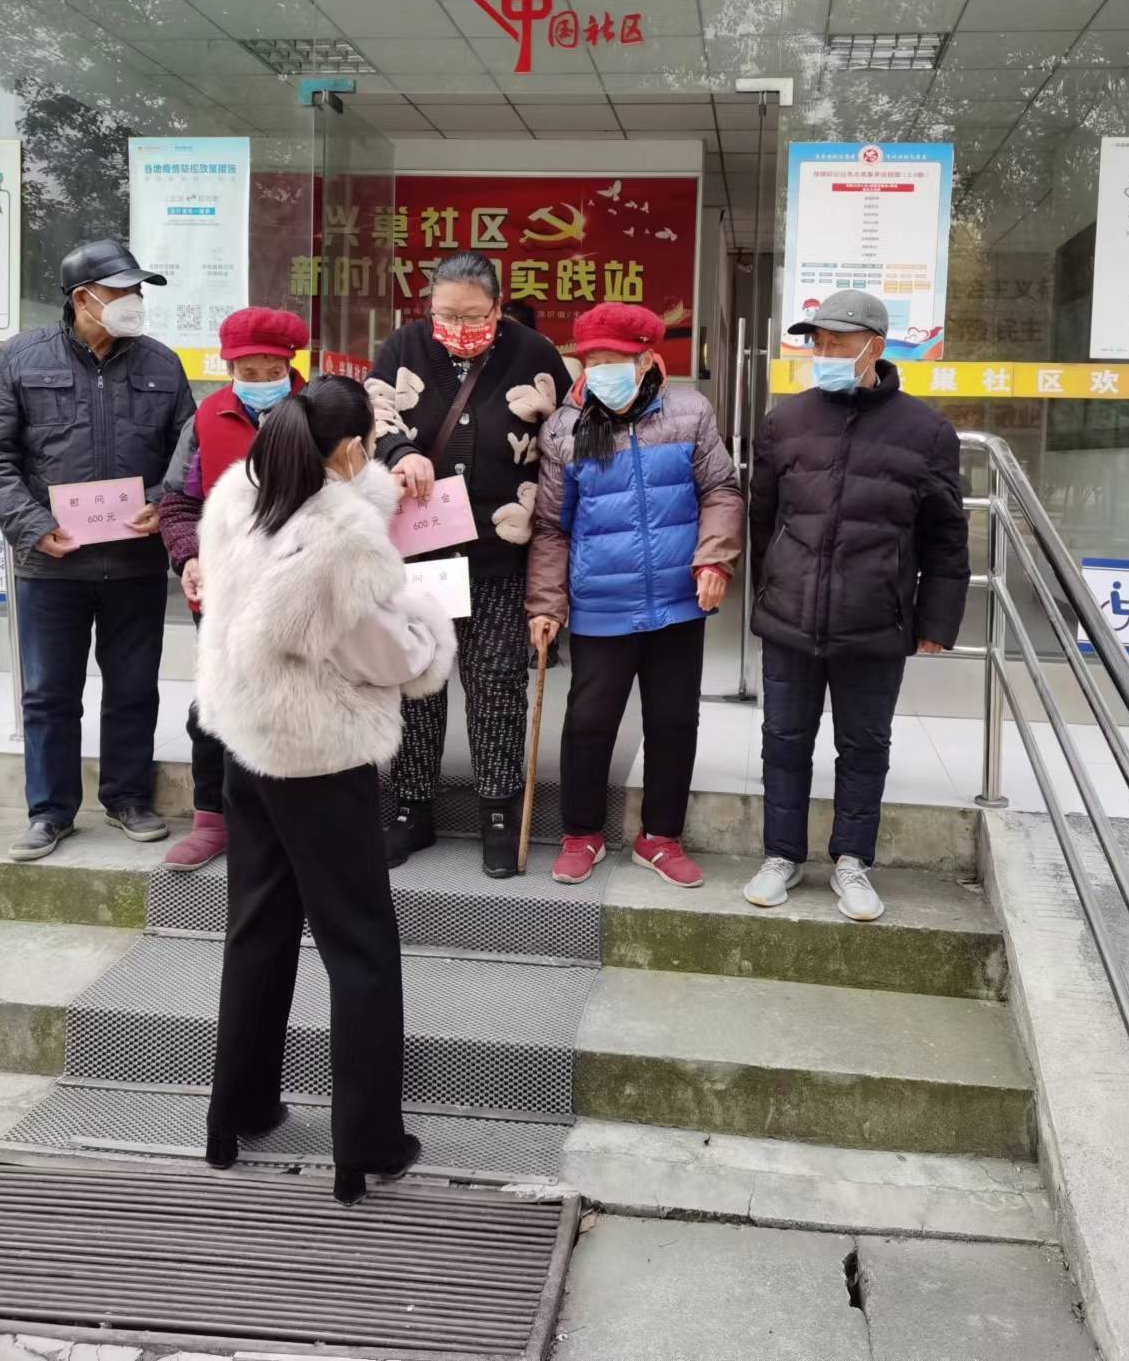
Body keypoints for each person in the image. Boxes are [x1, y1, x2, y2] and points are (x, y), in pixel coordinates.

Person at [194, 374, 455, 1206]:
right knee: (361, 948)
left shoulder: (240, 493)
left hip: (247, 744)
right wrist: (425, 619)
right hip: (319, 754)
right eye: (369, 444)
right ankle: (366, 1146)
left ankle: (235, 1117)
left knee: (256, 934)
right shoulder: (340, 543)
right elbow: (391, 657)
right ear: (348, 451)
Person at [743, 291, 970, 921]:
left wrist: (935, 619)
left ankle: (852, 861)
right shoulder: (785, 422)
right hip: (791, 617)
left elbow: (946, 536)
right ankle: (781, 855)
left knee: (864, 745)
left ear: (875, 346)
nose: (824, 353)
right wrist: (769, 590)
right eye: (817, 342)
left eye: (837, 343)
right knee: (783, 741)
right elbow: (763, 518)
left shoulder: (926, 432)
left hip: (875, 618)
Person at [0, 240, 194, 862]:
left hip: (134, 562)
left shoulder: (161, 363)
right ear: (83, 298)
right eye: (123, 291)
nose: (135, 301)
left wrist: (159, 501)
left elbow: (188, 456)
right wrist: (31, 524)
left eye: (138, 291)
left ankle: (128, 799)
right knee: (49, 693)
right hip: (51, 562)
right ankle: (49, 811)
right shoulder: (20, 359)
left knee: (133, 687)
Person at [366, 251, 572, 877]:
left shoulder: (535, 354)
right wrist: (399, 452)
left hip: (497, 556)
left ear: (498, 308)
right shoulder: (403, 346)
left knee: (496, 685)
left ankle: (499, 811)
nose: (457, 327)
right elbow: (372, 416)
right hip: (419, 556)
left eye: (472, 315)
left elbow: (563, 443)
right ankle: (410, 808)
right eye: (445, 314)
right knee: (417, 683)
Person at [526, 302, 743, 889]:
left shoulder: (689, 412)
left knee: (674, 719)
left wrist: (714, 558)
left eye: (614, 360)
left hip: (678, 601)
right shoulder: (565, 429)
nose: (601, 371)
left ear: (647, 360)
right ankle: (581, 833)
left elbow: (721, 490)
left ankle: (660, 838)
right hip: (601, 602)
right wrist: (545, 604)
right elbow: (551, 527)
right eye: (592, 360)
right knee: (590, 720)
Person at [157, 306, 309, 871]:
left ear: (290, 365)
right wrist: (189, 557)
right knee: (215, 703)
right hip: (224, 590)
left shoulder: (318, 414)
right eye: (248, 371)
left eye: (272, 370)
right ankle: (211, 819)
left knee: (295, 702)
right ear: (228, 369)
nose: (260, 380)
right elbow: (178, 502)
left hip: (299, 591)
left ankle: (291, 824)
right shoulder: (207, 417)